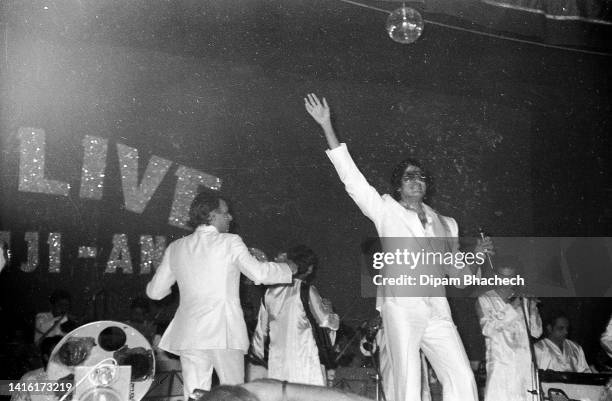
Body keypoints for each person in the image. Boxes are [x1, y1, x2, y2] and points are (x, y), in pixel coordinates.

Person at [304, 93, 493, 401]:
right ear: (398, 185)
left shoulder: (447, 224)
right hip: (402, 309)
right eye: (408, 177)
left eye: (420, 176)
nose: (415, 180)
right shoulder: (386, 210)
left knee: (462, 376)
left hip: (438, 311)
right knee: (407, 382)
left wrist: (477, 258)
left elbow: (460, 277)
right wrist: (327, 125)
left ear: (426, 184)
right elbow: (352, 180)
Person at [146, 191, 298, 400]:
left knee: (194, 394)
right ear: (211, 215)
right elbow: (259, 273)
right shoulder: (230, 241)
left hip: (190, 334)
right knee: (233, 394)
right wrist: (288, 268)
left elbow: (155, 292)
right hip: (223, 332)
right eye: (226, 213)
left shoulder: (176, 248)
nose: (231, 217)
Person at [250, 245, 339, 386]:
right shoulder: (306, 290)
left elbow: (260, 332)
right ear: (309, 269)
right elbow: (325, 322)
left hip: (277, 362)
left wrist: (257, 358)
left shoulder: (269, 292)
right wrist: (331, 313)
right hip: (305, 359)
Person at [476, 257, 542, 401]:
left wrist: (532, 307)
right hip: (501, 369)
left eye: (510, 277)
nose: (506, 281)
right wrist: (513, 306)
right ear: (495, 276)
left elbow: (536, 332)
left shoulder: (522, 299)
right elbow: (488, 328)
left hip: (523, 369)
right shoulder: (485, 299)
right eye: (502, 276)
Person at [11, 336, 62, 401]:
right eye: (57, 354)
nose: (62, 357)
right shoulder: (29, 379)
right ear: (46, 357)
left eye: (64, 352)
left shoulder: (75, 377)